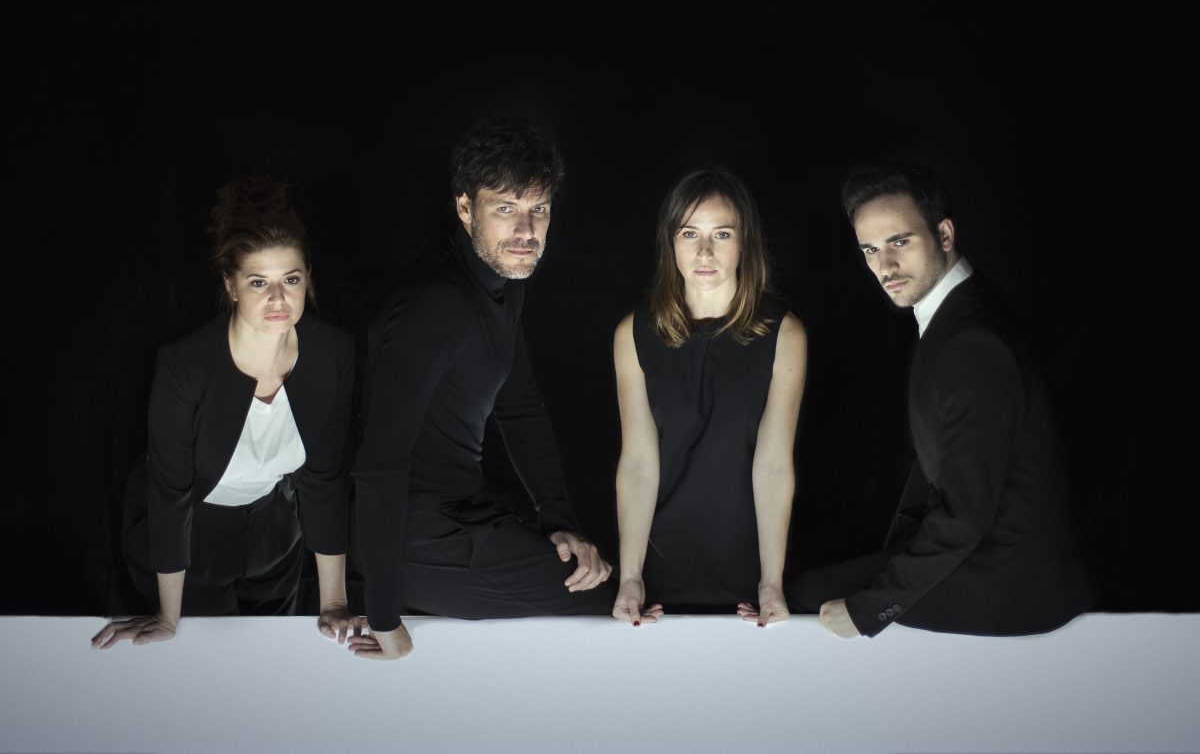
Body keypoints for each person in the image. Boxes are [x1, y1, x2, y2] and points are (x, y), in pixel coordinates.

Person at [790, 163, 1097, 638]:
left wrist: (872, 610)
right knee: (815, 578)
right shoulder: (960, 309)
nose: (885, 266)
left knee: (811, 599)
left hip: (1015, 580)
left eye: (900, 242)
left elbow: (965, 514)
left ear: (945, 234)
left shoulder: (972, 342)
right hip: (993, 550)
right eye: (870, 249)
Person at [350, 118, 615, 661]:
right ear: (465, 208)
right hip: (411, 539)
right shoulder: (435, 304)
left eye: (539, 209)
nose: (526, 230)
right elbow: (378, 465)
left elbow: (519, 406)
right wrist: (382, 613)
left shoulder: (505, 279)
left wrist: (559, 520)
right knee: (605, 595)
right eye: (505, 208)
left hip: (465, 511)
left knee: (605, 569)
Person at [93, 176, 357, 648]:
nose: (278, 299)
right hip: (190, 538)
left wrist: (333, 602)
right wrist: (168, 616)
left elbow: (325, 477)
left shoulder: (332, 352)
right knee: (205, 665)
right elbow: (170, 493)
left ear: (307, 279)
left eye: (291, 279)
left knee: (274, 661)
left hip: (276, 533)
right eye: (258, 282)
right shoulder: (186, 364)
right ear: (230, 286)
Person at [611, 167, 807, 627]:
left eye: (721, 234)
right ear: (671, 243)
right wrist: (631, 577)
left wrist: (771, 582)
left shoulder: (785, 334)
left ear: (744, 243)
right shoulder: (632, 334)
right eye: (689, 234)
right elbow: (638, 462)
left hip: (750, 577)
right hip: (659, 576)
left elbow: (774, 465)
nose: (704, 252)